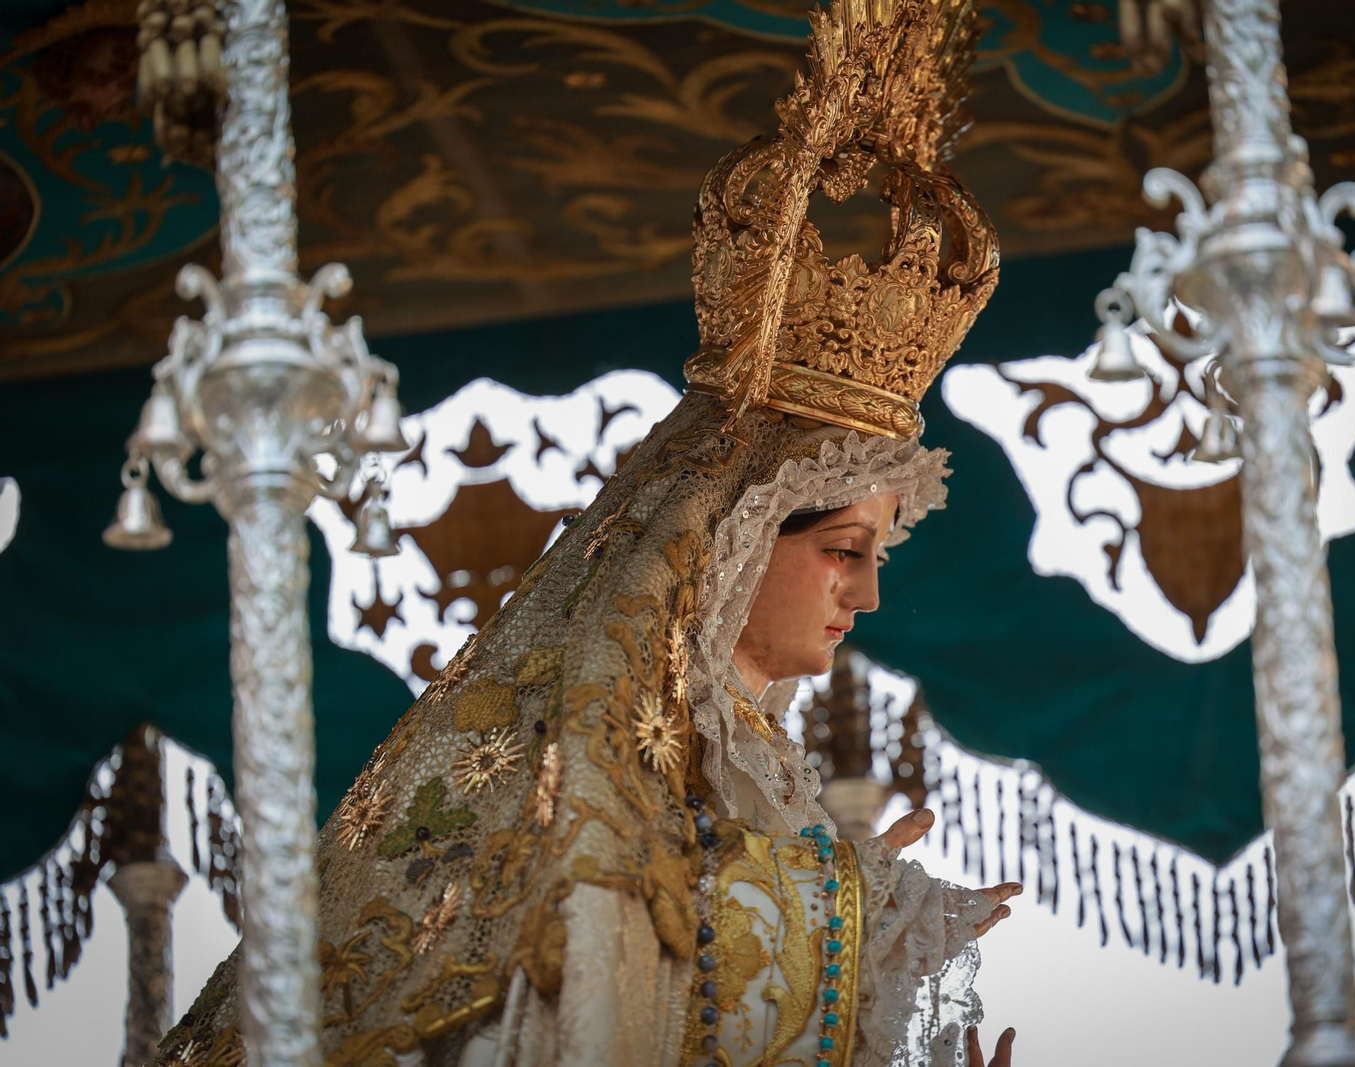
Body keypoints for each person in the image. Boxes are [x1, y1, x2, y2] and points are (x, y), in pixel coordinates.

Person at [153, 0, 1017, 1061]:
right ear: (732, 536)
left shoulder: (761, 780)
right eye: (843, 549)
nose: (867, 594)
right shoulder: (584, 775)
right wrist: (831, 914)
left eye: (878, 556)